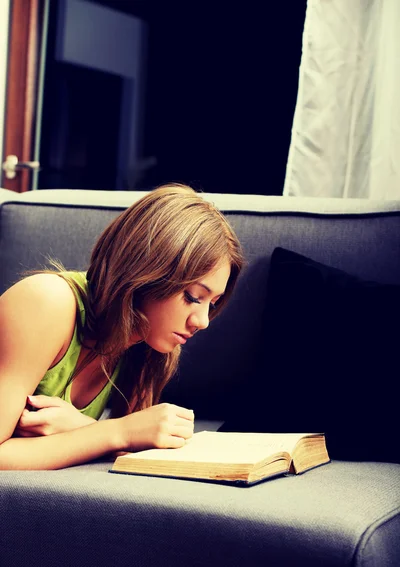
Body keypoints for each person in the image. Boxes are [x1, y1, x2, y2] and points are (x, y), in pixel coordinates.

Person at [0, 183, 244, 470]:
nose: (202, 321)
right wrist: (117, 432)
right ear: (147, 271)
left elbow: (135, 454)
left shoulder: (148, 344)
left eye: (211, 304)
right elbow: (126, 438)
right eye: (192, 297)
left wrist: (81, 427)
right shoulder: (46, 302)